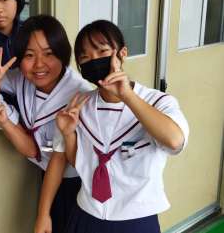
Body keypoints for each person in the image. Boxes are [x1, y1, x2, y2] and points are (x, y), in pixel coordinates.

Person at [36, 20, 189, 233]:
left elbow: (174, 141)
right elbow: (79, 163)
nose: (94, 60)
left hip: (136, 219)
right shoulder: (79, 105)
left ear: (122, 53)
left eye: (102, 51)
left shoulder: (158, 102)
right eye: (85, 57)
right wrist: (69, 134)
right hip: (86, 213)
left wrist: (127, 95)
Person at [0, 15, 92, 233]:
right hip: (44, 173)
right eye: (29, 55)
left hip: (76, 182)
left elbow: (61, 158)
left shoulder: (80, 96)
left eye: (49, 54)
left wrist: (44, 214)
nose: (39, 64)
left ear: (63, 54)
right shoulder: (22, 78)